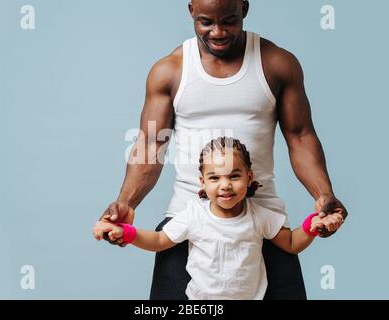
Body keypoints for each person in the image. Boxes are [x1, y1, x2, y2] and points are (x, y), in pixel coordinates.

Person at [97, 0, 348, 299]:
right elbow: (152, 143)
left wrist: (322, 194)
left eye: (228, 20)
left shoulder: (277, 63)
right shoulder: (170, 70)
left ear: (244, 7)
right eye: (206, 22)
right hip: (188, 222)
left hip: (262, 221)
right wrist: (126, 202)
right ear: (190, 10)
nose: (217, 32)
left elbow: (300, 135)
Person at [94, 137, 344, 300]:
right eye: (215, 178)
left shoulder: (259, 215)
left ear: (249, 177)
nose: (225, 185)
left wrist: (314, 225)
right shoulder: (193, 214)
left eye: (234, 176)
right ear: (202, 182)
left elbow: (291, 243)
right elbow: (160, 240)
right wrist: (127, 233)